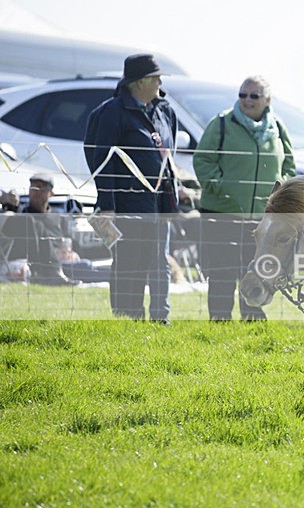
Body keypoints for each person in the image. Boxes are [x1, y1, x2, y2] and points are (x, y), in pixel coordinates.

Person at [84, 53, 179, 324]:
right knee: (129, 262)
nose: (160, 83)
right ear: (139, 82)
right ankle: (127, 319)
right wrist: (107, 205)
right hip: (127, 204)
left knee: (151, 260)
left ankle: (151, 320)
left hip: (158, 204)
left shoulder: (164, 111)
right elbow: (102, 160)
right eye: (155, 78)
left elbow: (168, 157)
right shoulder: (112, 112)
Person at [193, 75, 296, 321]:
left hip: (262, 217)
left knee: (255, 269)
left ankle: (252, 317)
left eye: (254, 95)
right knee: (222, 270)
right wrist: (220, 186)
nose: (247, 100)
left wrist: (280, 191)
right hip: (222, 212)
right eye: (242, 94)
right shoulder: (221, 123)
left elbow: (289, 165)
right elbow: (202, 160)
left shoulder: (277, 127)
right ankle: (220, 319)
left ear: (267, 99)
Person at [0, 174, 80, 285]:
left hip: (65, 261)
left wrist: (72, 253)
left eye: (41, 188)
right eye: (33, 188)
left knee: (86, 266)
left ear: (51, 193)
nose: (36, 192)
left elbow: (73, 243)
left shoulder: (58, 217)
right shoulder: (22, 215)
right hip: (38, 263)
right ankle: (45, 273)